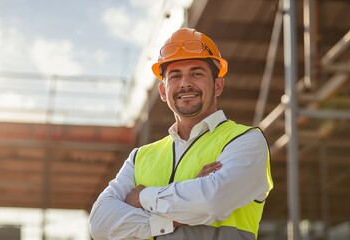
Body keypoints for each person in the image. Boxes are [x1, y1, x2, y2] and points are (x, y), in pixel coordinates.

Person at [89, 28, 273, 240]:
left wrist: (142, 197)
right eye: (175, 76)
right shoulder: (140, 157)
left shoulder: (245, 140)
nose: (185, 83)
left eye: (196, 73)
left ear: (218, 85)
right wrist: (170, 218)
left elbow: (211, 201)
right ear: (163, 92)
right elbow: (100, 224)